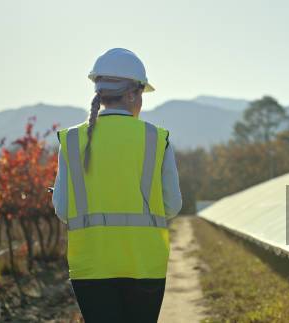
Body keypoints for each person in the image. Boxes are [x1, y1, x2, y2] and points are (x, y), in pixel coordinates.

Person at [51, 48, 182, 323]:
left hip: (91, 264)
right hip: (145, 263)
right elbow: (173, 205)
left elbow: (63, 210)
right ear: (133, 93)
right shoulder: (156, 139)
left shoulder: (72, 141)